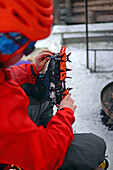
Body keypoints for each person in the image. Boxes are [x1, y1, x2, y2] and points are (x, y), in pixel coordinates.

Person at [0, 0, 107, 170]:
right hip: (24, 154)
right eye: (27, 47)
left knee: (38, 94)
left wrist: (32, 70)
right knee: (95, 146)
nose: (27, 52)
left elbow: (8, 77)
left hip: (15, 138)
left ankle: (47, 134)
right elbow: (46, 156)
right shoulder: (4, 104)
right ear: (8, 45)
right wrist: (65, 114)